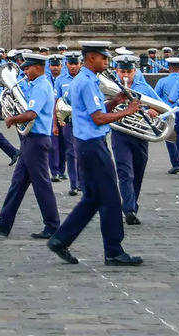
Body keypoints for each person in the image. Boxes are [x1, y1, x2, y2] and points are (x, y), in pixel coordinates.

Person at [46, 41, 143, 266]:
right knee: (110, 198)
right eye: (103, 58)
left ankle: (61, 239)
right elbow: (97, 118)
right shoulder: (87, 82)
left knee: (91, 199)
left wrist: (115, 102)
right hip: (93, 145)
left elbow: (96, 110)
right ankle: (113, 250)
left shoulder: (86, 80)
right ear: (91, 58)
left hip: (86, 144)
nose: (106, 63)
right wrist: (127, 111)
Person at [0, 53, 60, 239]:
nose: (24, 71)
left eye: (27, 68)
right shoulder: (35, 84)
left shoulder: (41, 86)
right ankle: (4, 222)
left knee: (42, 185)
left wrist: (12, 119)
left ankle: (53, 225)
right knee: (17, 183)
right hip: (30, 140)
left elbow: (31, 114)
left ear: (38, 67)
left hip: (36, 140)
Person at [110, 55, 160, 226]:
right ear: (116, 71)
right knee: (125, 172)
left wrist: (154, 111)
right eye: (122, 71)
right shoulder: (111, 87)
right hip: (120, 134)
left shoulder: (143, 88)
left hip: (140, 134)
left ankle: (132, 204)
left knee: (137, 173)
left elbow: (160, 106)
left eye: (129, 71)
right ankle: (129, 209)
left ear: (134, 71)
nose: (125, 75)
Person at [152, 56, 179, 174]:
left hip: (168, 114)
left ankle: (176, 163)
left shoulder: (163, 81)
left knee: (170, 140)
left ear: (169, 68)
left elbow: (155, 97)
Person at [54, 52, 81, 193]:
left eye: (76, 63)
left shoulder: (85, 79)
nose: (73, 66)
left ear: (80, 64)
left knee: (82, 151)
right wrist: (55, 124)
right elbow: (56, 102)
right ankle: (74, 184)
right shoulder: (60, 80)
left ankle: (82, 182)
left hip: (83, 121)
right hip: (67, 120)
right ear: (66, 64)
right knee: (71, 152)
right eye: (71, 63)